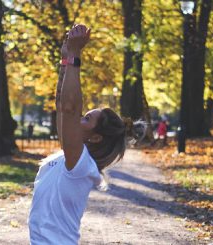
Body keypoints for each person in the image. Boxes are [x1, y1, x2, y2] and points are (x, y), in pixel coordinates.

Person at [28, 24, 142, 244]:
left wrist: (75, 54)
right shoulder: (69, 155)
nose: (79, 118)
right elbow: (63, 106)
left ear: (96, 137)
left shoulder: (80, 164)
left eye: (87, 118)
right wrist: (65, 60)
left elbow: (70, 108)